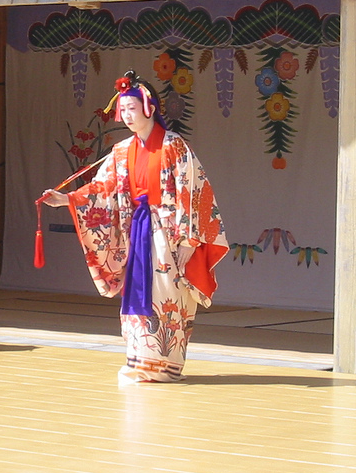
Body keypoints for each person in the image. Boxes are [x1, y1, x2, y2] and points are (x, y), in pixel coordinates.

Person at [42, 70, 228, 382]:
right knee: (138, 292)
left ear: (150, 108)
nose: (127, 116)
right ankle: (141, 360)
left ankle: (166, 364)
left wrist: (187, 240)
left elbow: (191, 190)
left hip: (168, 233)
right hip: (137, 231)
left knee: (167, 292)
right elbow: (104, 188)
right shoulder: (122, 150)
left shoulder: (173, 146)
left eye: (132, 108)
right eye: (123, 110)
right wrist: (69, 200)